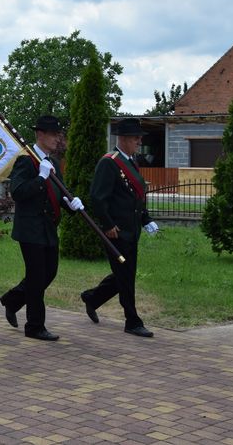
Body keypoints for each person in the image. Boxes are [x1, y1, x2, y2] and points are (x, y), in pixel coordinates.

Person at [0, 115, 83, 341]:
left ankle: (13, 299)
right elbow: (18, 192)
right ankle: (35, 326)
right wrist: (40, 178)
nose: (58, 138)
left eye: (59, 134)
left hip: (48, 228)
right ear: (40, 135)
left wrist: (71, 203)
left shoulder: (52, 162)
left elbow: (59, 192)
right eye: (54, 134)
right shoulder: (27, 160)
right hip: (30, 229)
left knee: (49, 273)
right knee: (36, 277)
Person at [80, 117, 158, 338]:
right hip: (116, 231)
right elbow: (97, 197)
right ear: (122, 139)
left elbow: (134, 198)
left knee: (124, 274)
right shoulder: (109, 162)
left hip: (132, 229)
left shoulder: (132, 162)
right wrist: (107, 224)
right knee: (125, 276)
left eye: (139, 138)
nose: (139, 142)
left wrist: (146, 219)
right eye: (135, 138)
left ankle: (92, 298)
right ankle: (132, 321)